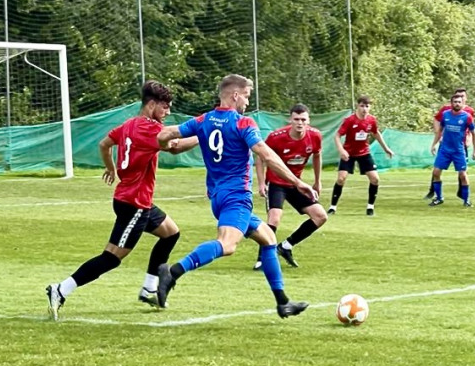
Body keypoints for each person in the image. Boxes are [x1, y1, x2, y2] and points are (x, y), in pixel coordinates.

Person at [155, 74, 315, 319]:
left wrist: (167, 147)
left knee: (269, 239)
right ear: (235, 95)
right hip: (237, 198)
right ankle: (173, 272)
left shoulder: (204, 120)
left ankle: (283, 302)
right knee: (227, 245)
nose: (247, 103)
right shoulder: (243, 124)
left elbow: (164, 135)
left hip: (218, 197)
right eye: (247, 97)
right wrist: (297, 182)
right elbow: (267, 156)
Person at [45, 80, 198, 321]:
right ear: (151, 104)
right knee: (111, 258)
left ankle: (149, 288)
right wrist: (205, 132)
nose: (167, 112)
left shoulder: (128, 125)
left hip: (135, 200)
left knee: (171, 233)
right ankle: (61, 289)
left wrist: (111, 168)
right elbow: (175, 147)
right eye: (165, 107)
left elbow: (104, 144)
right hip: (134, 204)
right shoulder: (148, 127)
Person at [252, 103, 327, 270]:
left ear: (308, 121)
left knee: (320, 216)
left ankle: (285, 247)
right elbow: (260, 158)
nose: (300, 123)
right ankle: (262, 258)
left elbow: (317, 155)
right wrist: (262, 182)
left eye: (303, 119)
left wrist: (317, 181)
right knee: (275, 218)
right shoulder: (276, 137)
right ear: (290, 120)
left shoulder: (315, 136)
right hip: (276, 184)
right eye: (296, 119)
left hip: (297, 184)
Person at [327, 95, 394, 216]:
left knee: (375, 179)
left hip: (364, 153)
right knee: (341, 179)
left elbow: (376, 133)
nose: (364, 109)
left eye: (367, 106)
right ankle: (332, 207)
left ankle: (370, 207)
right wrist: (341, 150)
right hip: (349, 154)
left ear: (370, 107)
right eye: (362, 106)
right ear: (358, 106)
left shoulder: (372, 120)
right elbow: (337, 136)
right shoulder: (349, 120)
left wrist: (386, 148)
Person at [428, 93, 475, 207]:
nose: (457, 104)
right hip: (445, 150)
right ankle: (439, 198)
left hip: (458, 150)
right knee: (436, 172)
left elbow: (474, 134)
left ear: (462, 103)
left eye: (459, 102)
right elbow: (440, 130)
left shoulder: (467, 117)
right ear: (451, 103)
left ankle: (467, 200)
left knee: (463, 175)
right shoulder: (445, 115)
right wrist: (434, 144)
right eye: (455, 102)